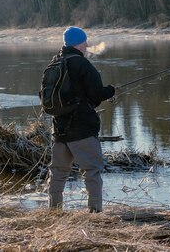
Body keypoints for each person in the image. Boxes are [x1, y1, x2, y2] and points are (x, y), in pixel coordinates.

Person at [46, 26, 115, 212]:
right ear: (79, 43)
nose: (87, 45)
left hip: (59, 129)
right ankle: (95, 213)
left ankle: (54, 211)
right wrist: (111, 91)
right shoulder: (82, 64)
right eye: (85, 41)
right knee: (92, 171)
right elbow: (96, 94)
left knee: (58, 173)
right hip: (82, 128)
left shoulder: (55, 63)